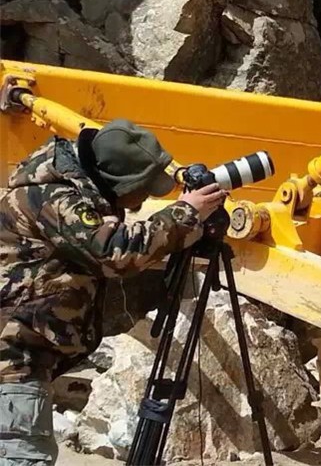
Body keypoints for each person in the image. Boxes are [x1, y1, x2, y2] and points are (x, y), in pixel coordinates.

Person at [0, 119, 227, 465]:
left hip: (23, 356)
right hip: (15, 361)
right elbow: (114, 253)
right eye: (143, 189)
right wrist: (186, 213)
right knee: (23, 457)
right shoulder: (53, 197)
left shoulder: (63, 187)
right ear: (117, 182)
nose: (146, 197)